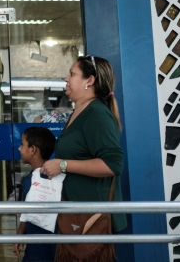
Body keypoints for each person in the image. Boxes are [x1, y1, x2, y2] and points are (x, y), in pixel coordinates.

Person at [40, 56, 127, 252]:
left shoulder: (97, 114)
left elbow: (113, 164)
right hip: (75, 216)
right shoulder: (80, 112)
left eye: (72, 74)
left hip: (91, 220)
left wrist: (62, 165)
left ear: (90, 80)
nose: (66, 79)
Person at [13, 126, 57, 262]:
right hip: (38, 247)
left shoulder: (32, 180)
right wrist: (20, 233)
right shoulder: (30, 179)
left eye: (22, 144)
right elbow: (27, 211)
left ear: (33, 150)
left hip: (40, 252)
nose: (19, 149)